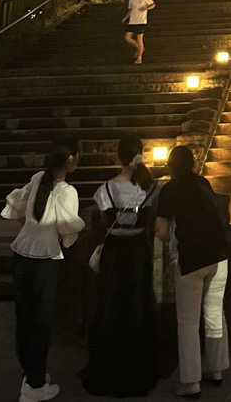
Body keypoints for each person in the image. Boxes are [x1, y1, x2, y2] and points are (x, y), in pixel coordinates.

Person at [2, 141, 84, 401]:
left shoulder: (39, 178)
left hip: (22, 253)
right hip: (45, 258)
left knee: (25, 317)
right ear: (70, 160)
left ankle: (31, 373)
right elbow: (67, 227)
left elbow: (18, 207)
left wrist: (31, 225)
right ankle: (35, 385)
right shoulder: (67, 191)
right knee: (41, 321)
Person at [81, 136, 159, 398]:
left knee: (111, 305)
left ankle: (109, 365)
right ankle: (137, 367)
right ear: (140, 155)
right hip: (138, 250)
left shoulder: (106, 188)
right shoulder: (150, 186)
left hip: (115, 250)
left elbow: (104, 220)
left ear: (119, 156)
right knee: (136, 304)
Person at [156, 147, 229, 399]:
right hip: (219, 255)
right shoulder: (202, 183)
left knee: (187, 321)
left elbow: (162, 232)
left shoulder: (169, 190)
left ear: (170, 166)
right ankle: (217, 368)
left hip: (192, 258)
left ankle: (190, 382)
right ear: (193, 164)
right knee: (214, 312)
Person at [121, 0, 155, 64]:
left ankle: (139, 58)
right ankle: (140, 49)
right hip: (132, 21)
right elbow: (130, 9)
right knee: (127, 38)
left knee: (139, 39)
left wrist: (146, 7)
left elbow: (153, 5)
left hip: (141, 21)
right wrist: (125, 18)